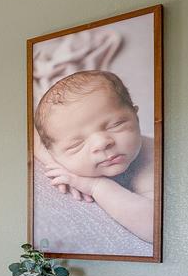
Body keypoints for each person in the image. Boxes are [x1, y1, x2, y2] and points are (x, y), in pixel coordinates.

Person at [34, 70, 154, 243]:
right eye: (76, 144)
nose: (101, 143)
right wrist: (53, 163)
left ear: (136, 116)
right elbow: (34, 136)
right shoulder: (53, 150)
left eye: (116, 124)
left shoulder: (149, 159)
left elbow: (154, 228)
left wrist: (95, 186)